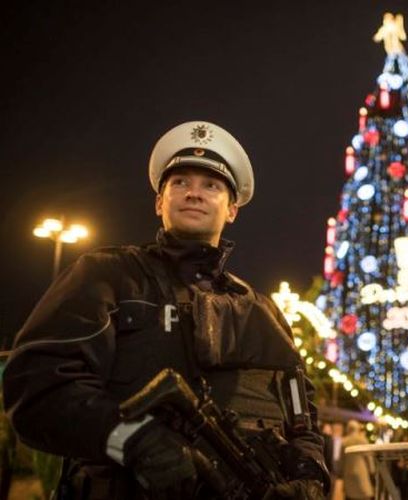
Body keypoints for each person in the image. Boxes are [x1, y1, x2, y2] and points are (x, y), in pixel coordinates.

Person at [2, 121, 330, 499]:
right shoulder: (108, 275)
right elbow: (37, 388)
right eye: (180, 183)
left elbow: (301, 415)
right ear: (160, 202)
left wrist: (310, 475)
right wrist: (132, 440)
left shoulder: (263, 310)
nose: (194, 193)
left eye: (211, 185)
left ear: (232, 210)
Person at [340, 420, 374, 500]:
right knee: (364, 495)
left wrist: (340, 473)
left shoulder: (344, 442)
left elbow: (342, 460)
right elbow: (369, 458)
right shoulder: (363, 440)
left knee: (350, 496)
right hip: (361, 472)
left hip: (348, 472)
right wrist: (372, 470)